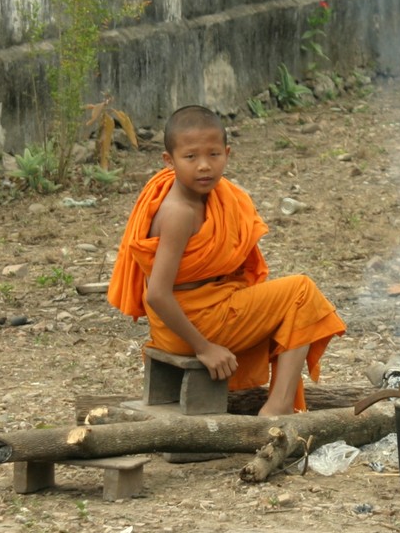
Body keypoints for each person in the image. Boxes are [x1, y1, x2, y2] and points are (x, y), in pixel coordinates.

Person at [107, 105, 346, 416]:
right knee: (301, 292)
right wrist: (204, 348)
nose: (204, 166)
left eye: (214, 155)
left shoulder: (217, 195)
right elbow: (157, 293)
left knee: (292, 296)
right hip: (191, 324)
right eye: (191, 157)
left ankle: (279, 404)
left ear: (227, 153)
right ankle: (278, 407)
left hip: (196, 314)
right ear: (169, 161)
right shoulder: (179, 212)